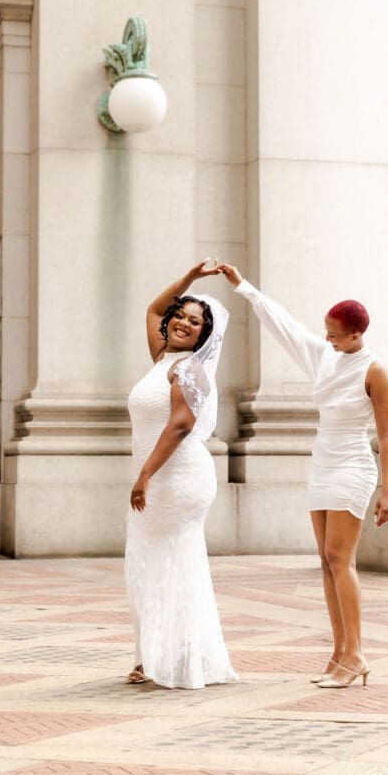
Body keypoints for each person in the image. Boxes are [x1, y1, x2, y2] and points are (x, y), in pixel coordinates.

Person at [218, 262, 388, 689]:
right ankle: (338, 654)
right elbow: (284, 326)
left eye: (335, 333)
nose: (328, 339)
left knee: (340, 559)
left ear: (357, 334)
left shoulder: (375, 371)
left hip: (353, 467)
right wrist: (243, 287)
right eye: (327, 332)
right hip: (322, 464)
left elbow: (386, 438)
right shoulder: (324, 357)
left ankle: (355, 654)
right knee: (325, 563)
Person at [123, 260, 238, 690]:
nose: (183, 323)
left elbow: (180, 425)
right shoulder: (161, 357)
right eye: (181, 315)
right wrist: (190, 279)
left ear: (204, 334)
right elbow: (153, 310)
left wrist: (145, 474)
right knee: (148, 565)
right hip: (155, 478)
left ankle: (177, 659)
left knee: (172, 565)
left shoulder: (189, 369)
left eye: (195, 321)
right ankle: (151, 655)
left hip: (177, 478)